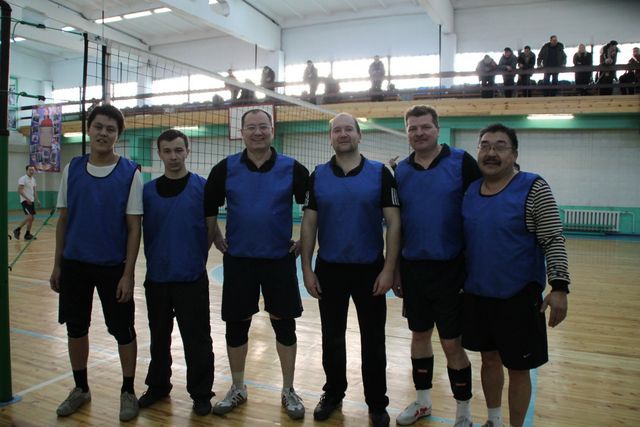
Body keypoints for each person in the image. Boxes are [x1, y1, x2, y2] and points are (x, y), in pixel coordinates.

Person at [461, 123, 570, 427]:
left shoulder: (534, 187)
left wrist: (559, 287)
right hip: (478, 295)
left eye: (500, 146)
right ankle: (494, 420)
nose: (491, 152)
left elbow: (553, 238)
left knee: (519, 369)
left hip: (519, 297)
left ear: (514, 154)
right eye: (484, 145)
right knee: (489, 359)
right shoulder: (470, 191)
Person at [204, 108, 309, 420]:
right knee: (237, 325)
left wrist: (305, 241)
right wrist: (216, 235)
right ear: (242, 132)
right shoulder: (225, 168)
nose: (258, 132)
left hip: (279, 260)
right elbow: (209, 206)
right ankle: (238, 387)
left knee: (284, 324)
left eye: (263, 126)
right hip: (239, 261)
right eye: (251, 127)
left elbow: (313, 207)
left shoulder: (293, 168)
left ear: (272, 129)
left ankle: (288, 389)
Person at [300, 112, 401, 427]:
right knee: (331, 337)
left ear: (359, 135)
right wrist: (306, 268)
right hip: (329, 269)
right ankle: (333, 393)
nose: (343, 134)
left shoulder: (380, 174)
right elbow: (309, 223)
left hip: (370, 270)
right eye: (337, 130)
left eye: (348, 129)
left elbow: (394, 222)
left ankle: (376, 403)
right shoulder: (318, 175)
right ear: (330, 138)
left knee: (373, 340)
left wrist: (389, 269)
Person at [49, 104, 143, 421]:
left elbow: (134, 228)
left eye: (110, 129)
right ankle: (81, 388)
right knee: (76, 328)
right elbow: (63, 221)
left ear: (118, 135)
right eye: (99, 127)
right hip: (75, 264)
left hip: (112, 267)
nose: (104, 133)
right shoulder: (72, 169)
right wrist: (57, 264)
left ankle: (128, 390)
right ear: (89, 129)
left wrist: (128, 274)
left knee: (122, 329)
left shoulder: (130, 172)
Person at [393, 105, 481, 427]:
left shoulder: (462, 162)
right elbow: (397, 225)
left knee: (451, 342)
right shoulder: (400, 171)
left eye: (425, 127)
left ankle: (464, 412)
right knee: (419, 336)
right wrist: (396, 269)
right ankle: (423, 402)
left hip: (452, 269)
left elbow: (480, 210)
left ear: (437, 128)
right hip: (414, 269)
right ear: (407, 132)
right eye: (413, 128)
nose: (419, 133)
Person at [138, 129, 214, 416]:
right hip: (157, 278)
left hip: (191, 278)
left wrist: (195, 258)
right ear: (159, 153)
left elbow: (210, 228)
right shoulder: (146, 192)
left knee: (198, 339)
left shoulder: (202, 187)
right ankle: (158, 386)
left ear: (187, 151)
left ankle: (201, 393)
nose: (173, 156)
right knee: (159, 338)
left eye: (178, 150)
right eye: (167, 151)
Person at [13, 164, 40, 240]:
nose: (32, 171)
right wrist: (27, 199)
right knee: (29, 217)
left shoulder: (33, 179)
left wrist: (37, 200)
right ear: (26, 170)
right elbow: (19, 190)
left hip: (31, 201)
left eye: (33, 170)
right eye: (30, 170)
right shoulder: (23, 179)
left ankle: (27, 234)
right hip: (25, 201)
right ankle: (17, 229)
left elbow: (34, 191)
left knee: (32, 218)